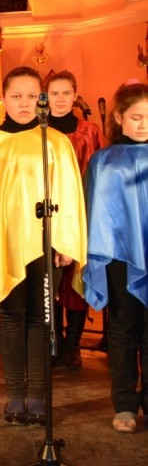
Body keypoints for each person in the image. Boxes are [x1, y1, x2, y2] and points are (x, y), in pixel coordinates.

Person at [0, 66, 86, 427]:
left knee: (41, 318)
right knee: (12, 316)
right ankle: (15, 394)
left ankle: (38, 397)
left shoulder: (54, 141)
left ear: (41, 99)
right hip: (5, 243)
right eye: (16, 96)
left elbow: (69, 194)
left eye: (32, 96)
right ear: (3, 99)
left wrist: (67, 241)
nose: (25, 103)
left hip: (46, 244)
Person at [82, 80, 148, 433]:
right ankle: (124, 402)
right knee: (123, 326)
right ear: (120, 117)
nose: (143, 125)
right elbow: (94, 208)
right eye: (136, 117)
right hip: (120, 255)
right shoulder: (104, 160)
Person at [44, 70, 107, 369]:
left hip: (81, 217)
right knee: (51, 282)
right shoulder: (39, 131)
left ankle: (73, 345)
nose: (59, 99)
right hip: (46, 219)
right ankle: (53, 343)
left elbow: (101, 175)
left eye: (65, 93)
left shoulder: (91, 132)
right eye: (54, 93)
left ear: (74, 95)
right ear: (46, 97)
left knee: (75, 283)